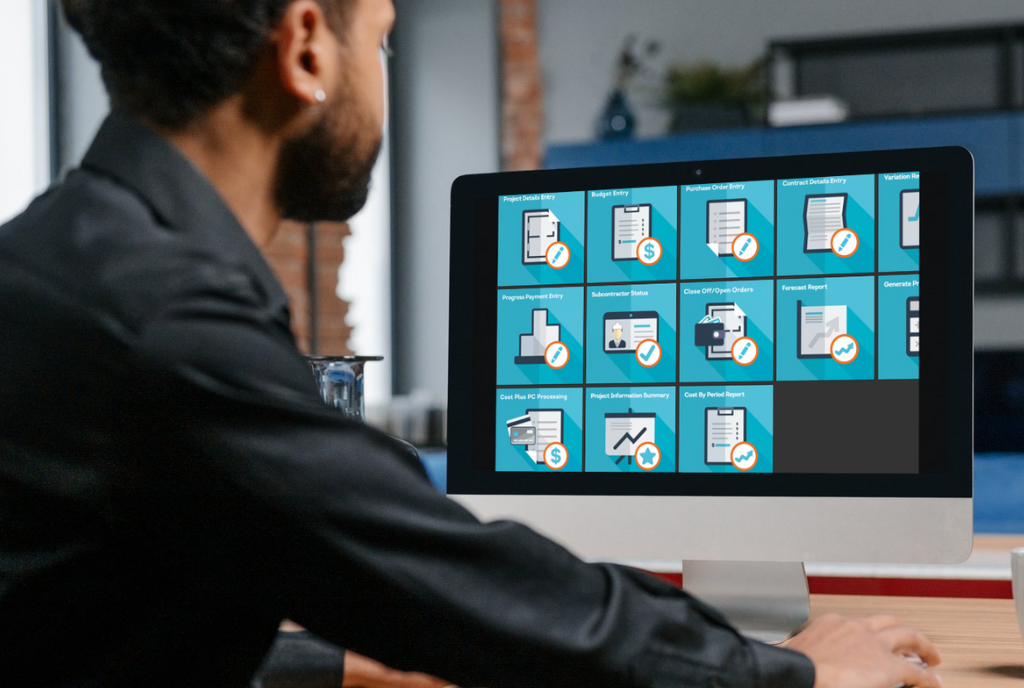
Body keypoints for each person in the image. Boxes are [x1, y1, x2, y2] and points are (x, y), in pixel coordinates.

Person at [0, 1, 942, 687]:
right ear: (302, 51)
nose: (382, 77)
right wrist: (785, 675)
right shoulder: (167, 323)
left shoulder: (61, 262)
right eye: (381, 41)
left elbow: (78, 618)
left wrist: (329, 662)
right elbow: (475, 587)